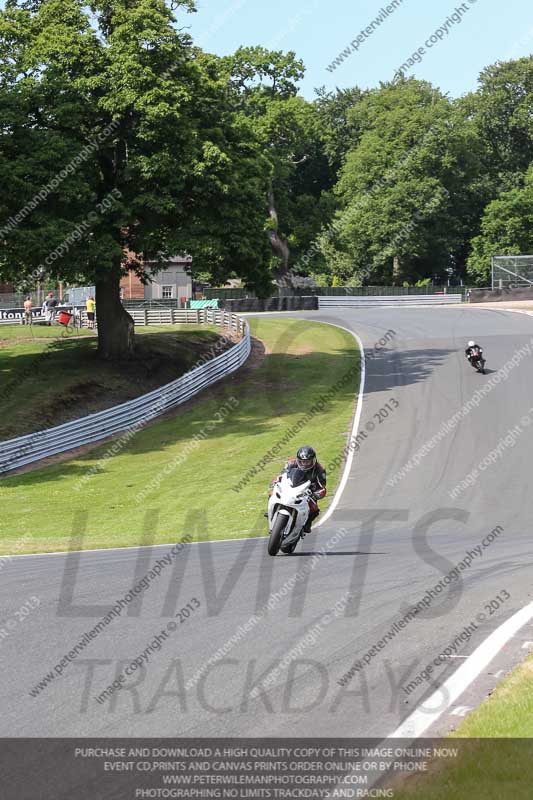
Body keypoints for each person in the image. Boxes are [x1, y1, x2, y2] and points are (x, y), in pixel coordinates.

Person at [269, 446, 327, 533]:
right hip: (290, 486)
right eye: (302, 462)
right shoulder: (291, 463)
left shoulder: (319, 470)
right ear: (298, 460)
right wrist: (275, 481)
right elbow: (282, 475)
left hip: (307, 492)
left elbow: (322, 487)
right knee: (272, 493)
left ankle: (307, 524)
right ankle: (271, 512)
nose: (305, 464)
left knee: (314, 509)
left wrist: (316, 494)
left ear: (314, 460)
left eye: (308, 462)